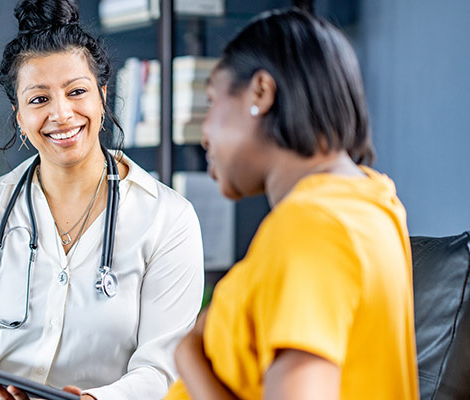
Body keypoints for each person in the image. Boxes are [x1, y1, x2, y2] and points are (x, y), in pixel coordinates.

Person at [0, 1, 204, 399]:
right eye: (39, 99)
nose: (61, 113)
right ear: (19, 114)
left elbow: (164, 370)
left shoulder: (167, 218)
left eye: (77, 92)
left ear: (102, 97)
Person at [165, 8, 418, 400]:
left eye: (212, 102)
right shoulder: (371, 199)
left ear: (261, 92)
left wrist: (189, 357)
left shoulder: (313, 225)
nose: (205, 134)